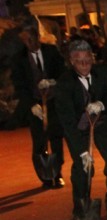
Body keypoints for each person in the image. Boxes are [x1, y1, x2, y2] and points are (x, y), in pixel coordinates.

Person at [55, 39, 107, 220]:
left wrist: (102, 104)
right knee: (84, 168)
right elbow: (67, 121)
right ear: (71, 61)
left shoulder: (105, 73)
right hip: (78, 128)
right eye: (79, 61)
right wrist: (81, 152)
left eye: (88, 60)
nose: (85, 65)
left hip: (103, 123)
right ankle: (81, 205)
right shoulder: (64, 83)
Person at [12, 26, 67, 189]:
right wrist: (31, 105)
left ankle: (57, 174)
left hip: (52, 102)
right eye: (24, 40)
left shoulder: (51, 51)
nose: (28, 43)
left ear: (37, 37)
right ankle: (45, 175)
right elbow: (19, 85)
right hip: (35, 103)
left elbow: (62, 73)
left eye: (30, 39)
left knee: (56, 138)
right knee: (39, 142)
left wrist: (53, 82)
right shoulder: (19, 58)